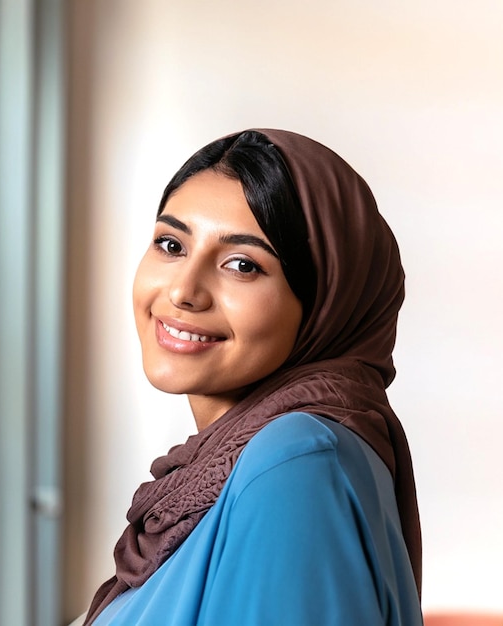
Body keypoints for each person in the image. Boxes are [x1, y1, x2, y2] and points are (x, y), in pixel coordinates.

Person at [78, 129, 422, 625]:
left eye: (242, 264)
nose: (183, 291)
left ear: (324, 303)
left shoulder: (296, 462)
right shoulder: (262, 461)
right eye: (171, 244)